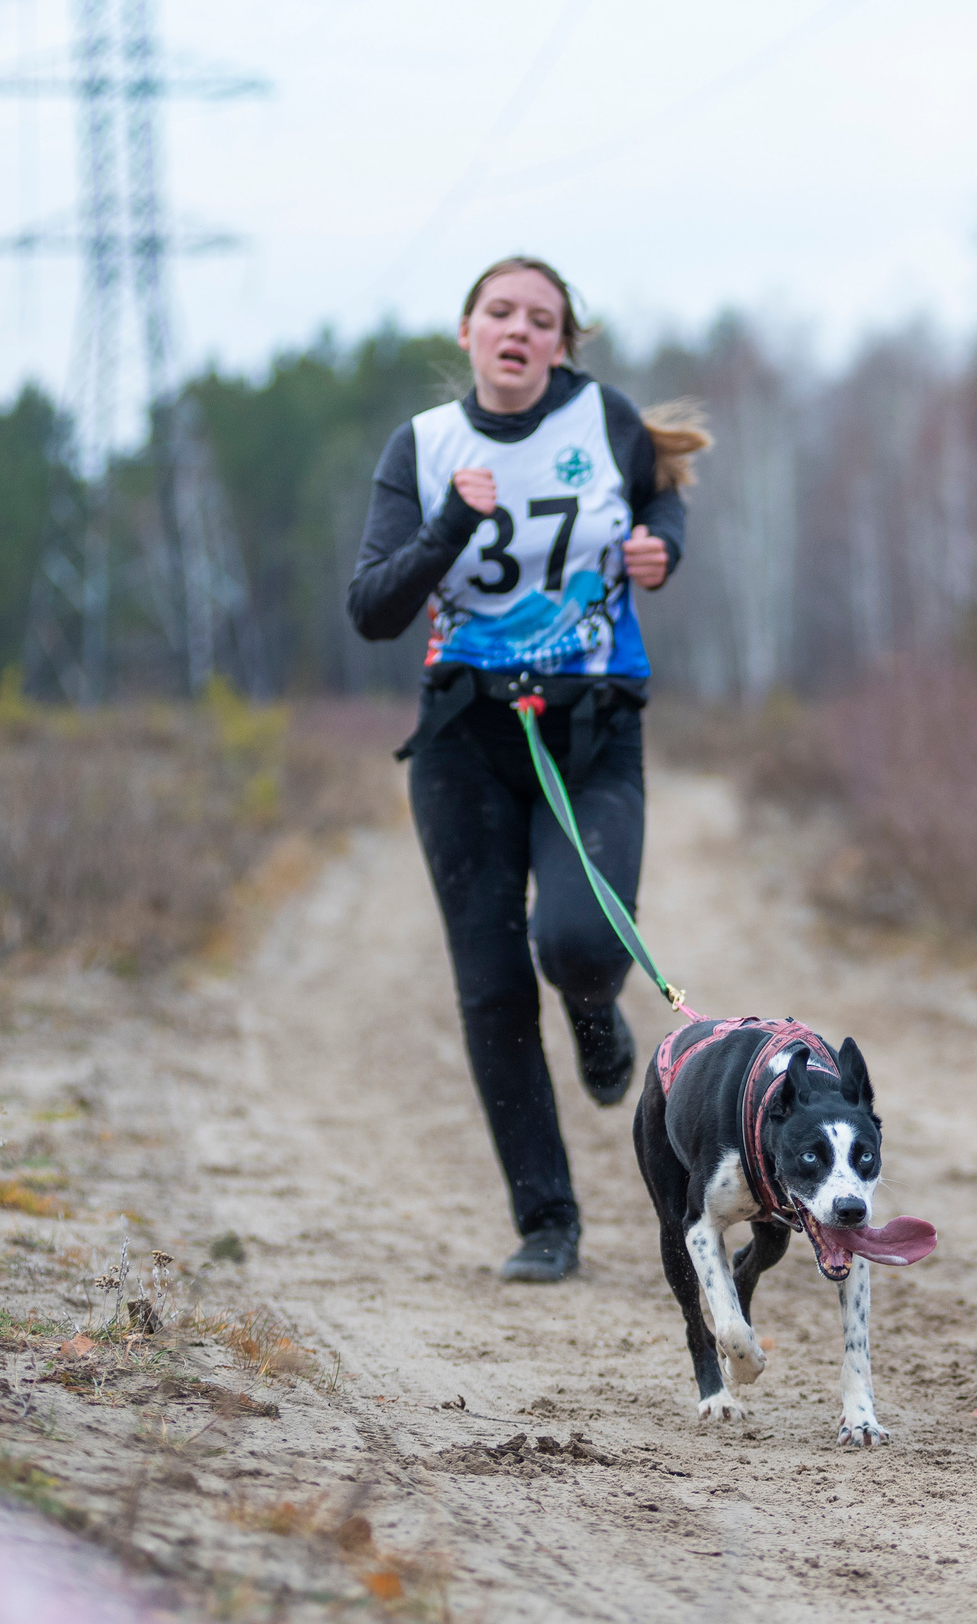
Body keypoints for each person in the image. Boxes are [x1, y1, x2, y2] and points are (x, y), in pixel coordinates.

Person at [347, 256, 707, 1284]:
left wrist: (661, 551)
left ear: (560, 344)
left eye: (540, 319)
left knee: (581, 941)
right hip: (464, 740)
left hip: (593, 730)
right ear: (466, 330)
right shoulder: (420, 447)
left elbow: (663, 502)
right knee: (492, 983)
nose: (518, 328)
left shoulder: (607, 420)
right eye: (498, 311)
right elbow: (372, 608)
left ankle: (597, 1011)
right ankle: (547, 1220)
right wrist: (451, 521)